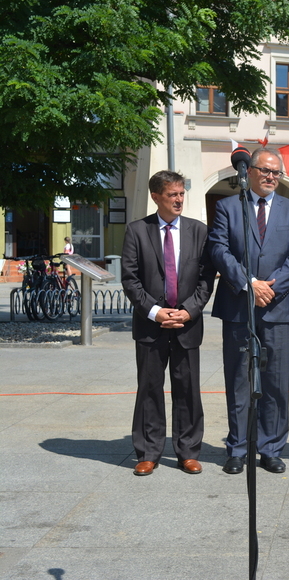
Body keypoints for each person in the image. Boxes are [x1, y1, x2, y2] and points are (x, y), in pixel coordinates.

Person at [208, 147, 289, 475]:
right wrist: (249, 283)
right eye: (265, 170)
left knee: (276, 382)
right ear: (249, 171)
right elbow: (219, 249)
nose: (270, 177)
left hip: (280, 308)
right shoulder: (228, 207)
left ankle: (271, 448)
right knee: (238, 379)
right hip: (239, 307)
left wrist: (270, 288)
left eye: (276, 172)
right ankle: (237, 448)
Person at [121, 170, 215, 476]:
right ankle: (148, 452)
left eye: (181, 194)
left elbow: (206, 279)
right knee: (149, 389)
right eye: (172, 194)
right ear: (156, 197)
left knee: (188, 389)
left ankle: (188, 451)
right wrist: (154, 311)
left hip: (188, 325)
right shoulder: (137, 231)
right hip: (150, 326)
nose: (179, 200)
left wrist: (189, 311)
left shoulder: (198, 231)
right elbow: (130, 279)